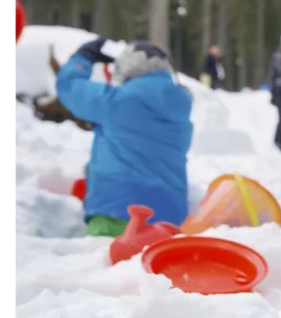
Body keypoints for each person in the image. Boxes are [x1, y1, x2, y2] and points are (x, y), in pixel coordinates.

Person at [56, 38, 193, 237]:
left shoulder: (118, 101)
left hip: (117, 213)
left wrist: (83, 57)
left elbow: (69, 86)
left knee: (102, 266)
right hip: (170, 222)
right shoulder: (180, 110)